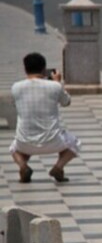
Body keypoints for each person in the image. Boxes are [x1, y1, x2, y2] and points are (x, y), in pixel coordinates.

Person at [10, 52, 80, 183]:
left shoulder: (16, 87)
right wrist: (59, 83)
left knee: (14, 149)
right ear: (43, 69)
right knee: (75, 143)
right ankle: (58, 167)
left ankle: (23, 166)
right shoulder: (54, 86)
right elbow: (66, 102)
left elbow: (15, 104)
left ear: (25, 69)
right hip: (53, 141)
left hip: (24, 142)